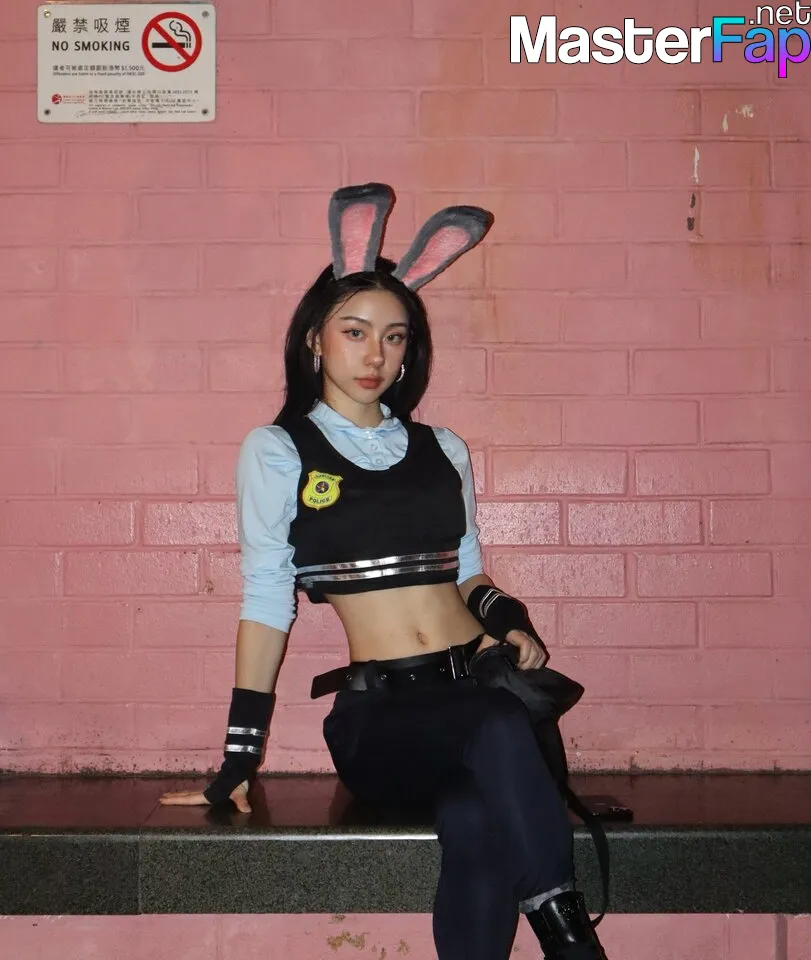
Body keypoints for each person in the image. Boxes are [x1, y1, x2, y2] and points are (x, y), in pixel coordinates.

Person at [160, 184, 609, 960]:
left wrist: (507, 620)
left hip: (477, 691)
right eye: (355, 331)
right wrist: (241, 751)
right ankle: (573, 946)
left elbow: (468, 574)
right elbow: (266, 599)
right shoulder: (279, 450)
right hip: (382, 719)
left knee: (476, 820)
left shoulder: (443, 448)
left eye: (394, 337)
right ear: (314, 339)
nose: (375, 355)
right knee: (498, 726)